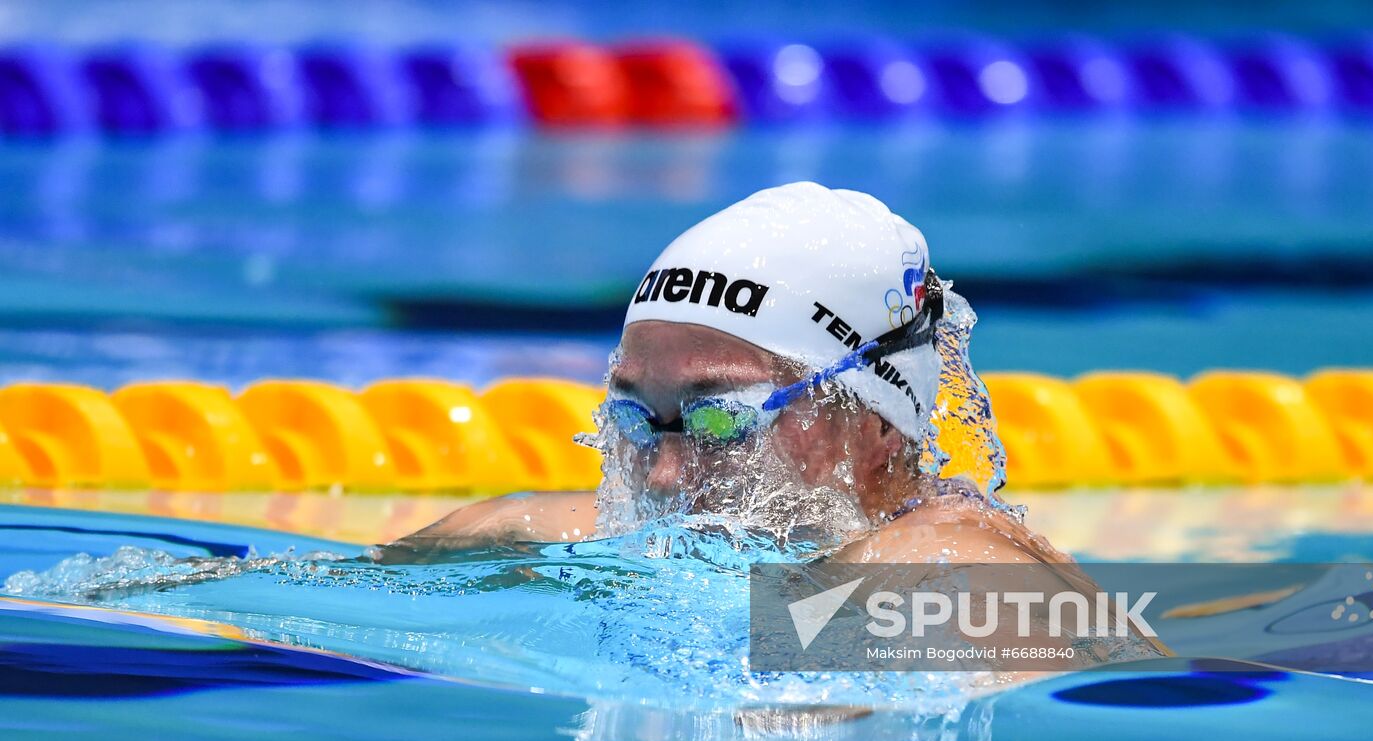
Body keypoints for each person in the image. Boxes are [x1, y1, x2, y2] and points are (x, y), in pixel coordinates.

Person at [381, 182, 1067, 566]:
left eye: (722, 420)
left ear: (878, 422)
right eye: (635, 418)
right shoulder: (601, 534)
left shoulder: (965, 568)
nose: (662, 475)